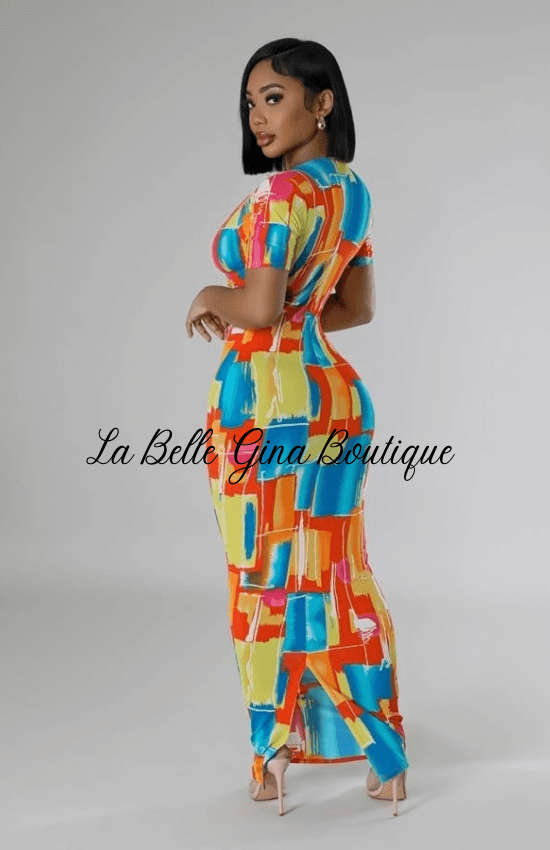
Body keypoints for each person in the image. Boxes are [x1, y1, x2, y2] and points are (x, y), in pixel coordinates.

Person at [186, 38, 410, 817]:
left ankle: (271, 753)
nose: (257, 116)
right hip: (334, 397)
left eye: (274, 97)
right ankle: (385, 753)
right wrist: (293, 322)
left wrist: (211, 296)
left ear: (323, 103)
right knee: (338, 572)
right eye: (250, 103)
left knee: (262, 578)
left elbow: (255, 305)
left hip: (260, 404)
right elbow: (356, 308)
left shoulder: (278, 194)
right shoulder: (352, 191)